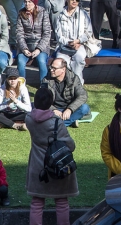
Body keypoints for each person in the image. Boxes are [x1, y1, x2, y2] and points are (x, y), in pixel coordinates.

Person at [26, 87, 78, 223]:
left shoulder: (28, 119)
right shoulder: (56, 122)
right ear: (50, 102)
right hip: (57, 165)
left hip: (38, 166)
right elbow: (70, 145)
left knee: (36, 203)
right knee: (62, 202)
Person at [42, 58, 91, 127]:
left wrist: (70, 109)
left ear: (63, 69)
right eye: (51, 67)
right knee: (34, 106)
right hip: (55, 109)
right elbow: (42, 99)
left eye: (54, 68)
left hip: (70, 108)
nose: (51, 70)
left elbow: (82, 95)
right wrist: (53, 109)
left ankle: (58, 123)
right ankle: (71, 120)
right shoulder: (46, 80)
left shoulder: (73, 78)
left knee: (84, 108)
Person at [16, 0, 51, 83]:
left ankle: (44, 85)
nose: (27, 4)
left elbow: (47, 33)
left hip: (40, 45)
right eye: (25, 1)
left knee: (42, 61)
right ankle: (21, 85)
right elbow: (19, 34)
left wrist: (39, 49)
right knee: (20, 61)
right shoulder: (21, 13)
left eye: (29, 2)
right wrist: (24, 49)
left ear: (34, 2)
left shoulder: (43, 12)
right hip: (26, 45)